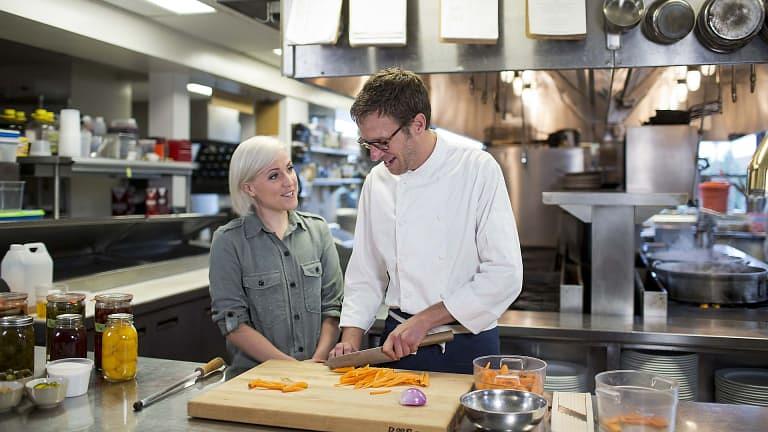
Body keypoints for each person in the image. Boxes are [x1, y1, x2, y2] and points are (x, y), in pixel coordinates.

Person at [328, 68, 523, 374]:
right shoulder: (377, 182)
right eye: (367, 144)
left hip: (465, 341)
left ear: (417, 124)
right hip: (397, 344)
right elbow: (366, 271)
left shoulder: (476, 168)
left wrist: (425, 320)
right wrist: (350, 339)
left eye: (382, 142)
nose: (374, 156)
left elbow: (504, 274)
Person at [209, 136, 344, 375]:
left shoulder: (318, 230)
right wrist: (294, 368)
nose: (289, 181)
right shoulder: (228, 241)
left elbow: (333, 309)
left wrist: (316, 363)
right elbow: (233, 324)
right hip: (256, 380)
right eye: (274, 176)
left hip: (317, 373)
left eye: (289, 168)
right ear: (249, 188)